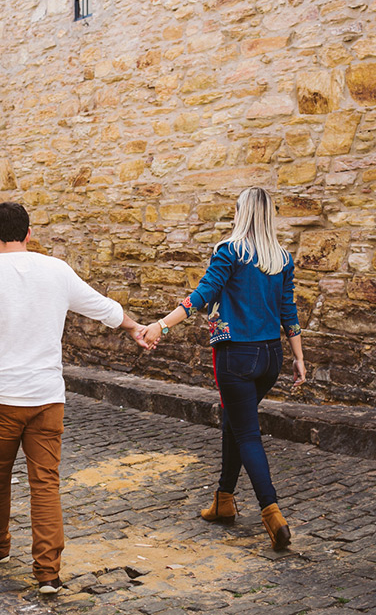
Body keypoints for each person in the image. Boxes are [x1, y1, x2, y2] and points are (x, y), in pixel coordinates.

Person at [0, 202, 150, 594]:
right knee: (45, 484)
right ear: (29, 234)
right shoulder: (56, 271)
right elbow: (100, 306)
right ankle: (48, 573)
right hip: (46, 398)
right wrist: (133, 327)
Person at [142, 187, 305, 551]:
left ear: (240, 212)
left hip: (236, 358)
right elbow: (288, 311)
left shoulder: (230, 251)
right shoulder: (281, 259)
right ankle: (224, 501)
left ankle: (272, 512)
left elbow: (201, 295)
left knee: (246, 432)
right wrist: (299, 357)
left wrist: (161, 326)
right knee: (235, 421)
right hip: (270, 359)